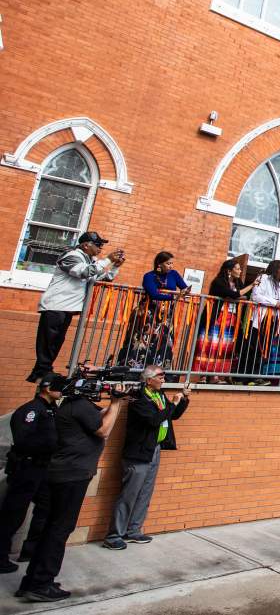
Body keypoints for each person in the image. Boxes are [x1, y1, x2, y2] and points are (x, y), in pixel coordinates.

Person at [18, 374, 127, 602]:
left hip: (61, 474)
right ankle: (40, 583)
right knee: (59, 529)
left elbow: (97, 418)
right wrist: (116, 403)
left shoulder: (71, 406)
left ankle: (33, 580)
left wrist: (112, 402)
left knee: (51, 528)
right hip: (71, 476)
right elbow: (104, 430)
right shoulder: (80, 407)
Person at [103, 366, 191, 549]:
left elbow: (172, 415)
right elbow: (153, 420)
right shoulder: (138, 398)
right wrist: (173, 404)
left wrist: (183, 399)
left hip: (154, 449)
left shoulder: (160, 394)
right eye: (160, 376)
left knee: (145, 492)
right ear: (148, 379)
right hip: (139, 451)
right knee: (130, 493)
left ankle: (133, 530)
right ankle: (114, 535)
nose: (163, 379)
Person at [27, 232, 124, 383]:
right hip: (56, 305)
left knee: (56, 341)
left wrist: (115, 266)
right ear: (86, 245)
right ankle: (41, 372)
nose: (101, 248)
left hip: (67, 307)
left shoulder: (90, 260)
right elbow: (84, 272)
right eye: (98, 245)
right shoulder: (72, 255)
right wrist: (108, 260)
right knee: (48, 341)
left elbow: (100, 278)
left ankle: (43, 371)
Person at [0, 374, 67, 574]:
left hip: (43, 469)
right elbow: (23, 440)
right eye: (58, 386)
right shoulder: (32, 410)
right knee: (13, 514)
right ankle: (1, 555)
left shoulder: (52, 410)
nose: (61, 390)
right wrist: (50, 445)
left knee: (46, 508)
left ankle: (30, 550)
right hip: (27, 469)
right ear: (46, 388)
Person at [195, 259, 258, 382]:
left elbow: (243, 296)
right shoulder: (219, 282)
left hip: (232, 317)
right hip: (217, 317)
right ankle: (203, 374)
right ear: (229, 270)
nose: (240, 271)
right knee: (210, 344)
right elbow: (235, 295)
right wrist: (251, 285)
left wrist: (237, 296)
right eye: (238, 268)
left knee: (224, 346)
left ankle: (216, 374)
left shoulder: (238, 282)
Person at [136, 251, 192, 368]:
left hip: (167, 313)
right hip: (150, 311)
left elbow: (184, 287)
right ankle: (141, 367)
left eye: (172, 263)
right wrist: (173, 296)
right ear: (159, 264)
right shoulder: (149, 276)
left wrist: (185, 291)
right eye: (168, 263)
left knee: (165, 339)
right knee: (147, 337)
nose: (171, 266)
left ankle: (161, 368)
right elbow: (153, 294)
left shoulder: (174, 274)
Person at [242, 260, 280, 382]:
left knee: (266, 347)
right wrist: (274, 303)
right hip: (262, 317)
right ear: (276, 269)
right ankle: (248, 376)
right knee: (256, 346)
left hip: (275, 319)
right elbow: (255, 296)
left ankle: (258, 375)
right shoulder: (263, 278)